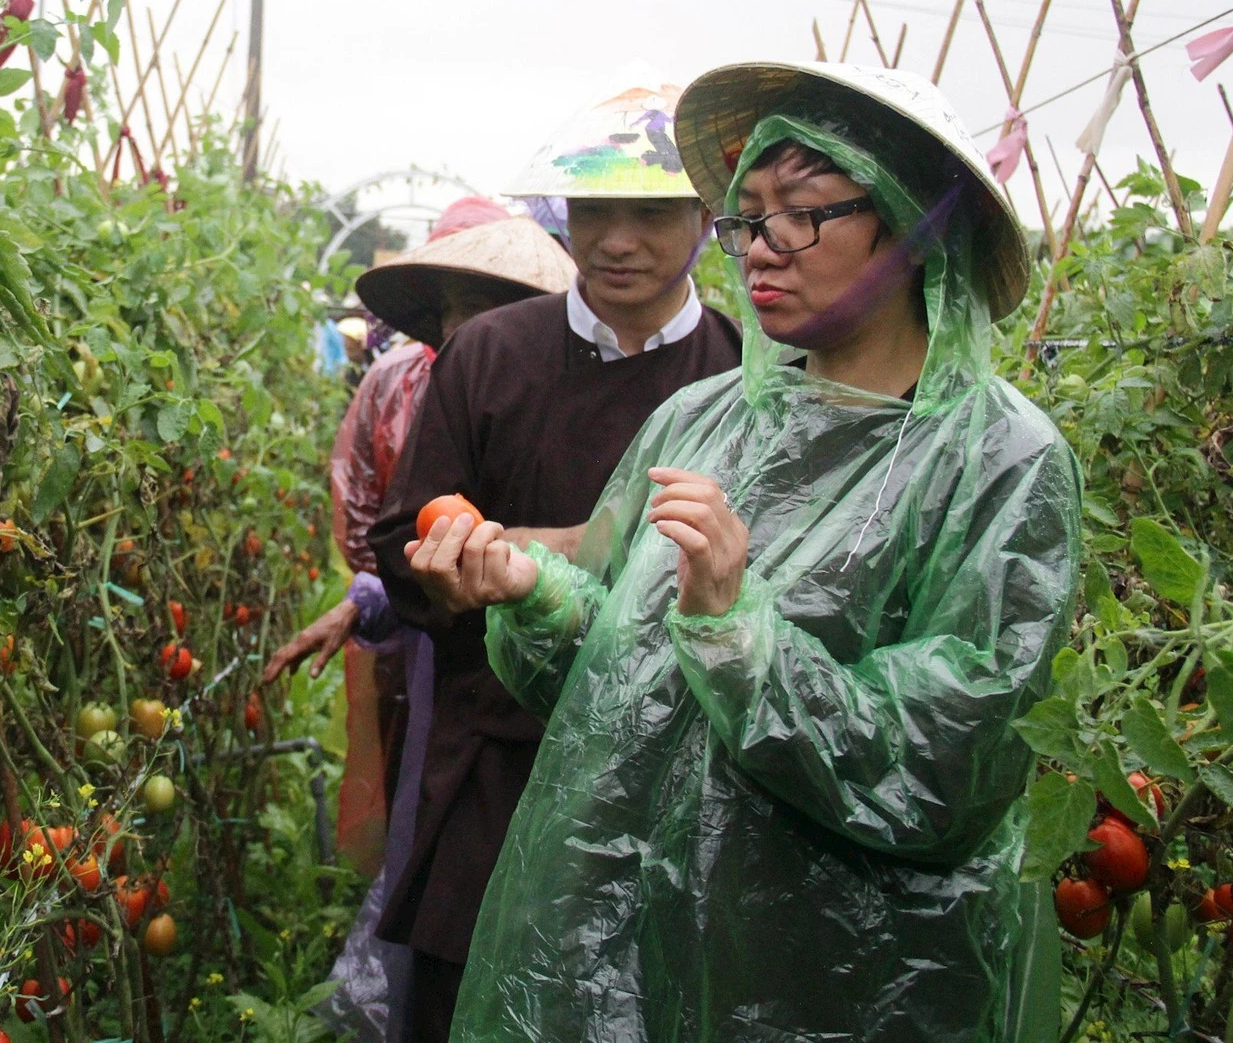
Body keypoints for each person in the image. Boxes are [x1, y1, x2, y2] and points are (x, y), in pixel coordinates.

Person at [415, 61, 1080, 1043]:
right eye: (748, 217)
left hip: (847, 980)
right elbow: (622, 688)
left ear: (915, 224)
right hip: (642, 949)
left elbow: (941, 769)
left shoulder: (1000, 462)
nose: (761, 247)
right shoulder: (704, 421)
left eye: (802, 213)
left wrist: (736, 622)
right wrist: (533, 590)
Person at [364, 85, 744, 1043]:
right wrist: (453, 568)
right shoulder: (489, 356)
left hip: (667, 777)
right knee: (468, 1002)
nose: (618, 240)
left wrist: (554, 548)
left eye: (651, 213)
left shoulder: (741, 374)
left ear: (704, 217)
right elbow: (400, 537)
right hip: (495, 766)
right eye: (593, 211)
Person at [265, 199, 575, 1043]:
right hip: (443, 656)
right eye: (453, 308)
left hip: (545, 676)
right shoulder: (401, 386)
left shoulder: (562, 394)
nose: (466, 328)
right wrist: (373, 599)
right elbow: (383, 528)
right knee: (436, 840)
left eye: (489, 309)